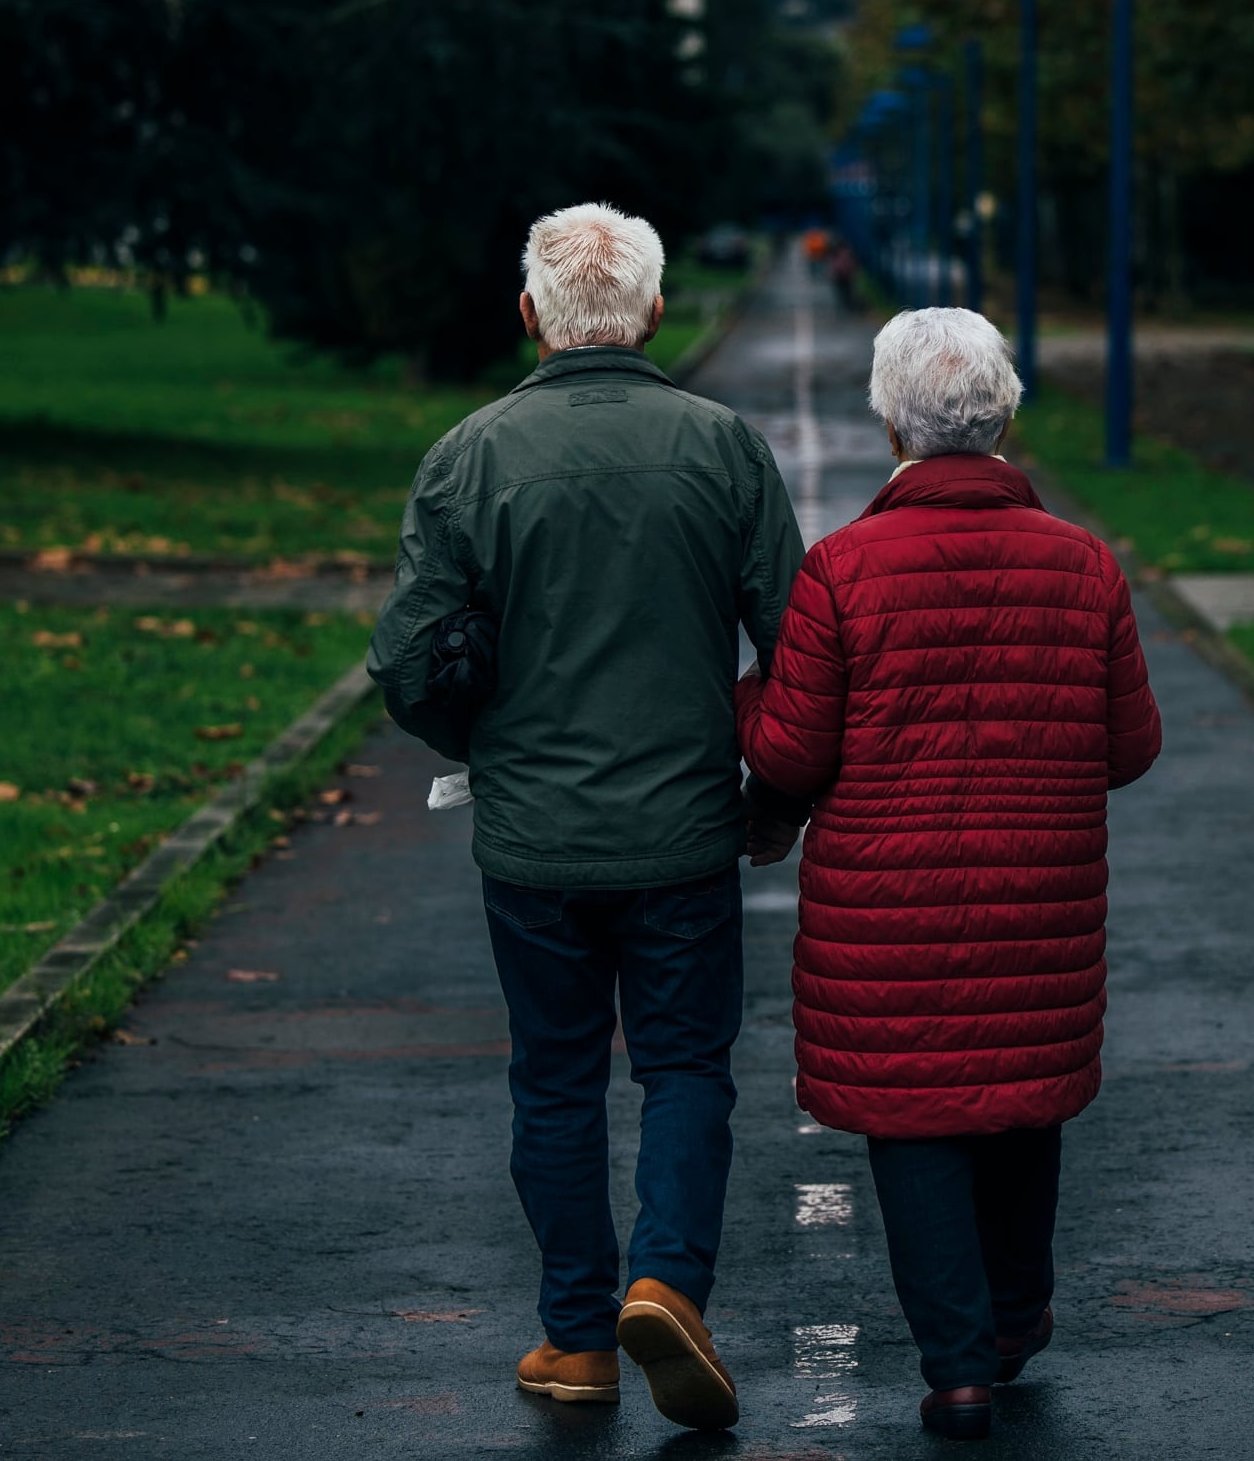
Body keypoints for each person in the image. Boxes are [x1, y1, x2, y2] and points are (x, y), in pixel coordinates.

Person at [368, 202, 806, 1432]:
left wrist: (481, 746)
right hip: (680, 834)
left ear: (530, 316)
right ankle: (665, 1279)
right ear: (656, 313)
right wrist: (771, 798)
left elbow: (404, 662)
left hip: (534, 840)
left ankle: (574, 1338)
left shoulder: (469, 455)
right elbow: (796, 647)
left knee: (553, 1081)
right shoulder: (722, 447)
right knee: (682, 1067)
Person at [733, 307, 1163, 1440]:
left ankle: (959, 1368)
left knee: (916, 1117)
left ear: (888, 428)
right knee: (1024, 1097)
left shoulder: (841, 571)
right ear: (1007, 417)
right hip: (1041, 901)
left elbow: (789, 754)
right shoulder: (1085, 564)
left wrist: (742, 700)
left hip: (888, 917)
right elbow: (1132, 747)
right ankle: (1017, 1319)